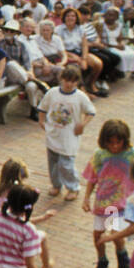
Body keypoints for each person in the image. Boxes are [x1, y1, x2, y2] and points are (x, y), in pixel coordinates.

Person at [81, 119, 134, 268]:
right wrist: (86, 198)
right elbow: (92, 178)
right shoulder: (99, 155)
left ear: (125, 140)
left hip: (123, 203)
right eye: (111, 143)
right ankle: (102, 261)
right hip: (103, 203)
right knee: (98, 235)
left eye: (118, 142)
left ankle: (121, 253)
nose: (115, 146)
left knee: (116, 233)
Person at [37, 65, 95, 201]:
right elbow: (42, 107)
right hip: (53, 135)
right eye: (67, 80)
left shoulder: (80, 96)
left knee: (66, 164)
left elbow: (91, 111)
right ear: (61, 79)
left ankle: (73, 187)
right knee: (53, 163)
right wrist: (41, 121)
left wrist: (82, 124)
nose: (69, 84)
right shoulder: (52, 93)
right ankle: (56, 185)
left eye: (73, 81)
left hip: (69, 137)